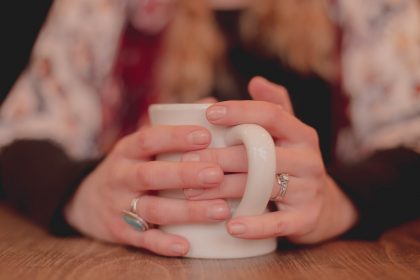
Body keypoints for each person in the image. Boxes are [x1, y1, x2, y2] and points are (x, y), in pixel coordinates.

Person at [0, 0, 419, 257]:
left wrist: (339, 201)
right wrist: (80, 193)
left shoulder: (370, 6)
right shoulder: (101, 7)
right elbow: (18, 136)